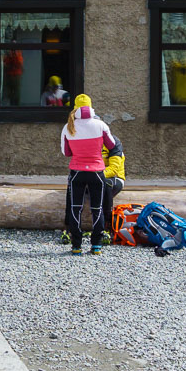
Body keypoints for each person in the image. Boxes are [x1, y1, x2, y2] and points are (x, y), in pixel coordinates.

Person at [59, 93, 118, 255]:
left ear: (75, 108)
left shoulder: (68, 127)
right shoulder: (101, 125)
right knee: (96, 209)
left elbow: (66, 152)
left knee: (75, 208)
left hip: (77, 172)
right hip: (97, 172)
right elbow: (111, 144)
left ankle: (76, 245)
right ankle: (96, 245)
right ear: (91, 107)